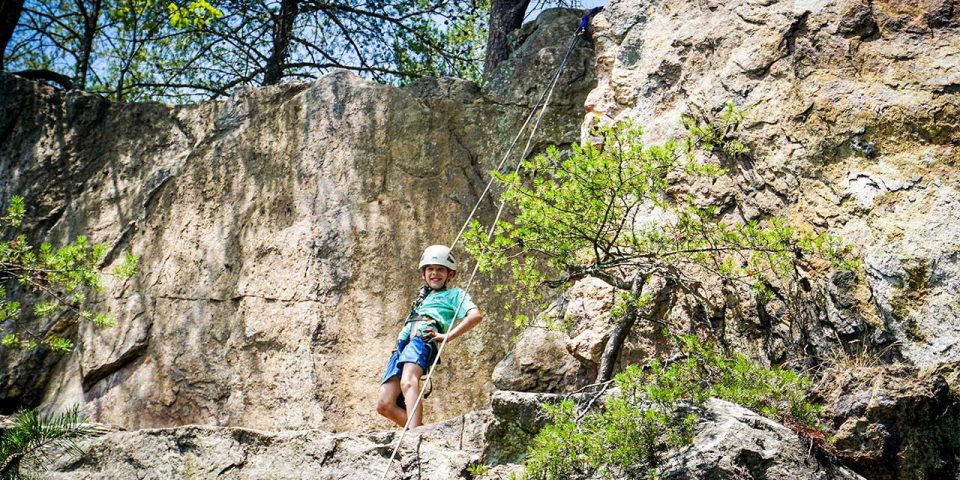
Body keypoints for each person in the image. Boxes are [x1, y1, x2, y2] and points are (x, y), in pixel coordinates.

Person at [375, 244, 483, 428]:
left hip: (422, 339)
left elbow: (475, 315)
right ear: (422, 274)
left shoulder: (455, 295)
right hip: (402, 346)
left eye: (441, 269)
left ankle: (415, 435)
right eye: (430, 269)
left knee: (409, 381)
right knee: (384, 405)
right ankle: (421, 431)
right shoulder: (422, 298)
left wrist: (447, 336)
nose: (435, 273)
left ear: (450, 275)